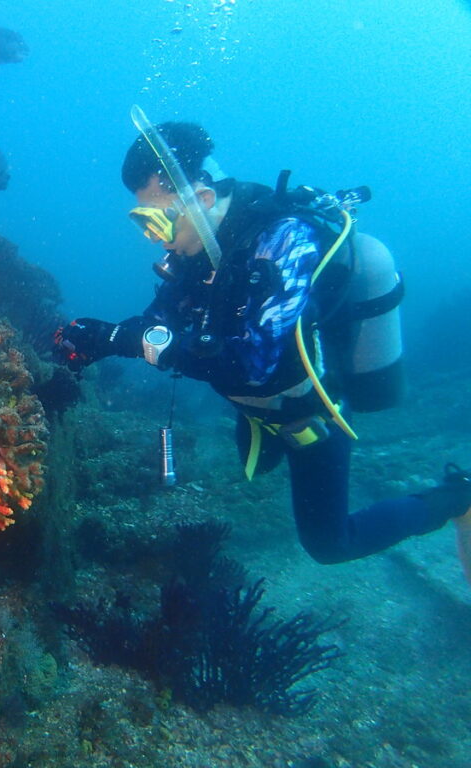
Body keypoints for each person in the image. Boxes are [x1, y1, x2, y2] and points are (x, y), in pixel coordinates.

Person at [54, 121, 471, 565]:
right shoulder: (195, 247)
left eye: (156, 222)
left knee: (330, 544)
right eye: (142, 222)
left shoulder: (285, 242)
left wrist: (131, 340)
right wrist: (99, 339)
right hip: (260, 413)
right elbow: (162, 321)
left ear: (204, 199)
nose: (153, 238)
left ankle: (457, 500)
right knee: (268, 473)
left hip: (312, 416)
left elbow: (254, 363)